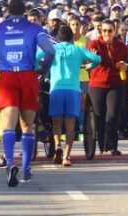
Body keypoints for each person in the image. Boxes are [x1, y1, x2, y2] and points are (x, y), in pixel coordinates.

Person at [0, 0, 55, 186]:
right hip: (28, 75)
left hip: (7, 76)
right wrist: (43, 70)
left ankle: (9, 163)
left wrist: (1, 59)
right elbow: (50, 51)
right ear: (24, 11)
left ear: (8, 11)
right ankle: (26, 170)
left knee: (7, 125)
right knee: (27, 126)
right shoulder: (34, 28)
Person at [38, 25, 101, 166]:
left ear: (58, 38)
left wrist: (40, 67)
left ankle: (57, 146)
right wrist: (90, 66)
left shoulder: (53, 49)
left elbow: (37, 57)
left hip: (56, 89)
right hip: (73, 89)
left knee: (57, 122)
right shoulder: (78, 49)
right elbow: (97, 58)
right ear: (72, 37)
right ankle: (66, 156)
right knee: (70, 124)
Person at [88, 19, 128, 156]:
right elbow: (89, 61)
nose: (107, 33)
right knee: (99, 116)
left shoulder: (121, 46)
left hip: (116, 83)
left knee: (112, 115)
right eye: (104, 30)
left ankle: (112, 146)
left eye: (110, 31)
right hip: (97, 84)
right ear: (100, 31)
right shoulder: (94, 43)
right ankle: (101, 145)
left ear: (115, 31)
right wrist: (92, 59)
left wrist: (125, 65)